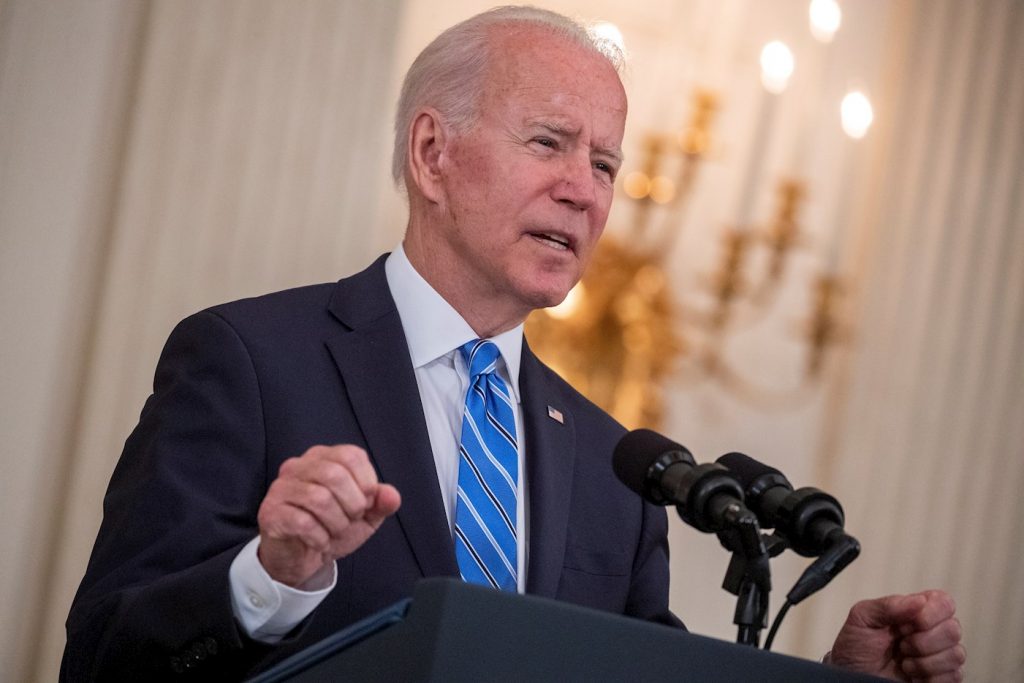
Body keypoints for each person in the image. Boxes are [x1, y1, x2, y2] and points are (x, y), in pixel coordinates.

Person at [61, 6, 965, 682]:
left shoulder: (623, 466)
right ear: (432, 155)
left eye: (605, 164)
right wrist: (271, 576)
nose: (586, 190)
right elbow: (104, 655)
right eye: (550, 143)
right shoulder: (250, 360)